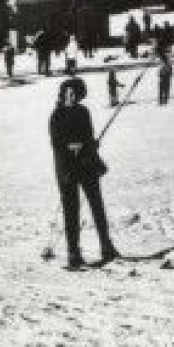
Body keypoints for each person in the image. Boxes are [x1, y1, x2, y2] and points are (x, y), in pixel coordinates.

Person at [48, 78, 119, 271]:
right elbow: (57, 144)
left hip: (87, 165)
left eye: (75, 93)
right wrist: (77, 146)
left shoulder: (83, 111)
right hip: (67, 169)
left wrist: (90, 144)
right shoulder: (57, 116)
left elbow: (88, 135)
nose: (71, 97)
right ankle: (73, 253)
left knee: (97, 206)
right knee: (71, 212)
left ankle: (106, 246)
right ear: (62, 94)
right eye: (68, 93)